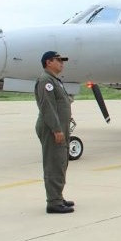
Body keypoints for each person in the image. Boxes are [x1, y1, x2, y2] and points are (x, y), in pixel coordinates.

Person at [34, 51, 75, 213]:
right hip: (52, 128)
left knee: (61, 162)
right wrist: (57, 130)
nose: (62, 63)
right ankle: (53, 202)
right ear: (48, 62)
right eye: (58, 60)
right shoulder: (46, 81)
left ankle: (58, 196)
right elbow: (47, 107)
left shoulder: (55, 80)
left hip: (59, 127)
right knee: (54, 163)